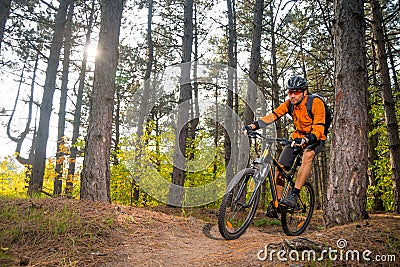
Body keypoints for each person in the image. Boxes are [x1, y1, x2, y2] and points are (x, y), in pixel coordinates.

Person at [244, 76, 326, 208]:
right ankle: (278, 203)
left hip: (315, 138)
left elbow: (319, 128)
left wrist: (306, 139)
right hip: (297, 137)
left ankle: (294, 194)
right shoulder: (289, 104)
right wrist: (252, 126)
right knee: (280, 168)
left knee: (308, 155)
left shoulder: (315, 103)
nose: (292, 96)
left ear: (305, 92)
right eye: (290, 92)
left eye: (296, 92)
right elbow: (273, 116)